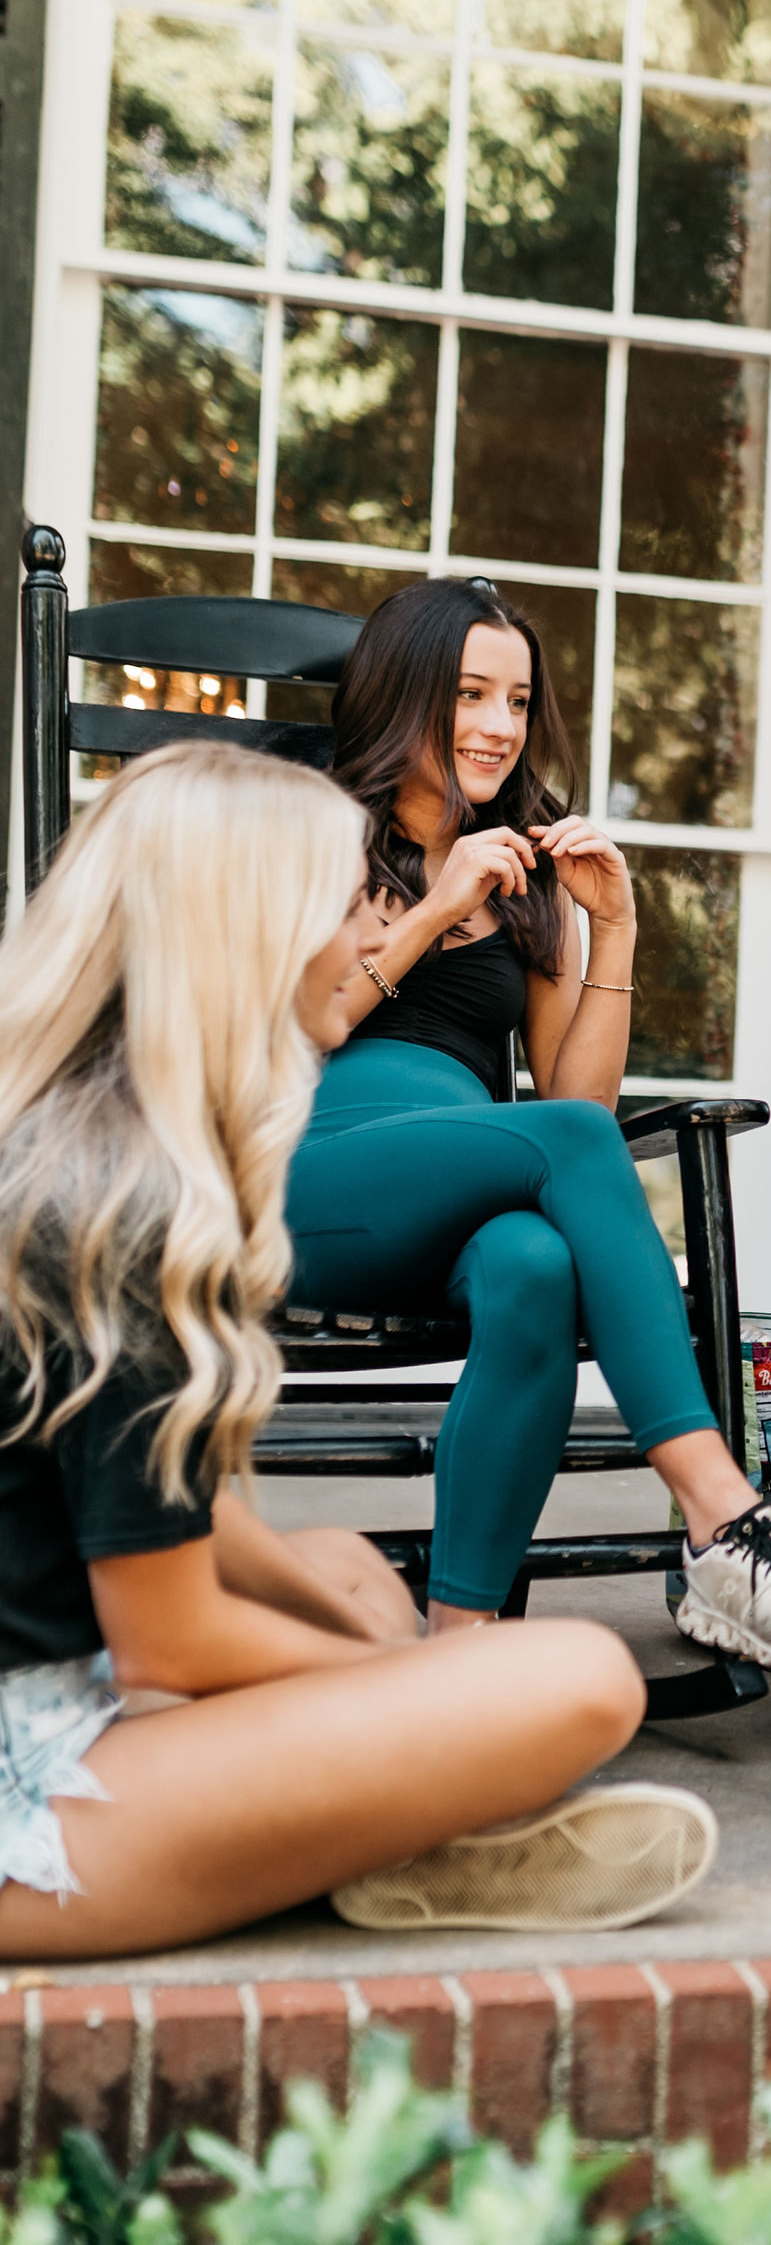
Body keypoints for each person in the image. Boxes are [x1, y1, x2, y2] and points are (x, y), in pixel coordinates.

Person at [0, 743, 719, 1957]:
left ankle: (407, 1830)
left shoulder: (92, 1151)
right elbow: (169, 1637)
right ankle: (419, 1827)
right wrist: (407, 1694)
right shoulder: (118, 1212)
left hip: (70, 1690)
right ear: (245, 938)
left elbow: (167, 1514)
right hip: (39, 1793)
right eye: (343, 910)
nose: (372, 939)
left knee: (338, 1561)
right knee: (583, 1680)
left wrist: (385, 1667)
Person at [289, 575, 771, 1668]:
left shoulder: (521, 876)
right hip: (311, 1184)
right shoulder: (317, 834)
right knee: (561, 1166)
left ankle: (456, 1654)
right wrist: (433, 908)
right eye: (470, 695)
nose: (497, 728)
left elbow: (575, 1112)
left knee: (530, 1265)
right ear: (405, 689)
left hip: (455, 1200)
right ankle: (725, 1518)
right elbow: (301, 1030)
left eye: (517, 703)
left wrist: (610, 931)